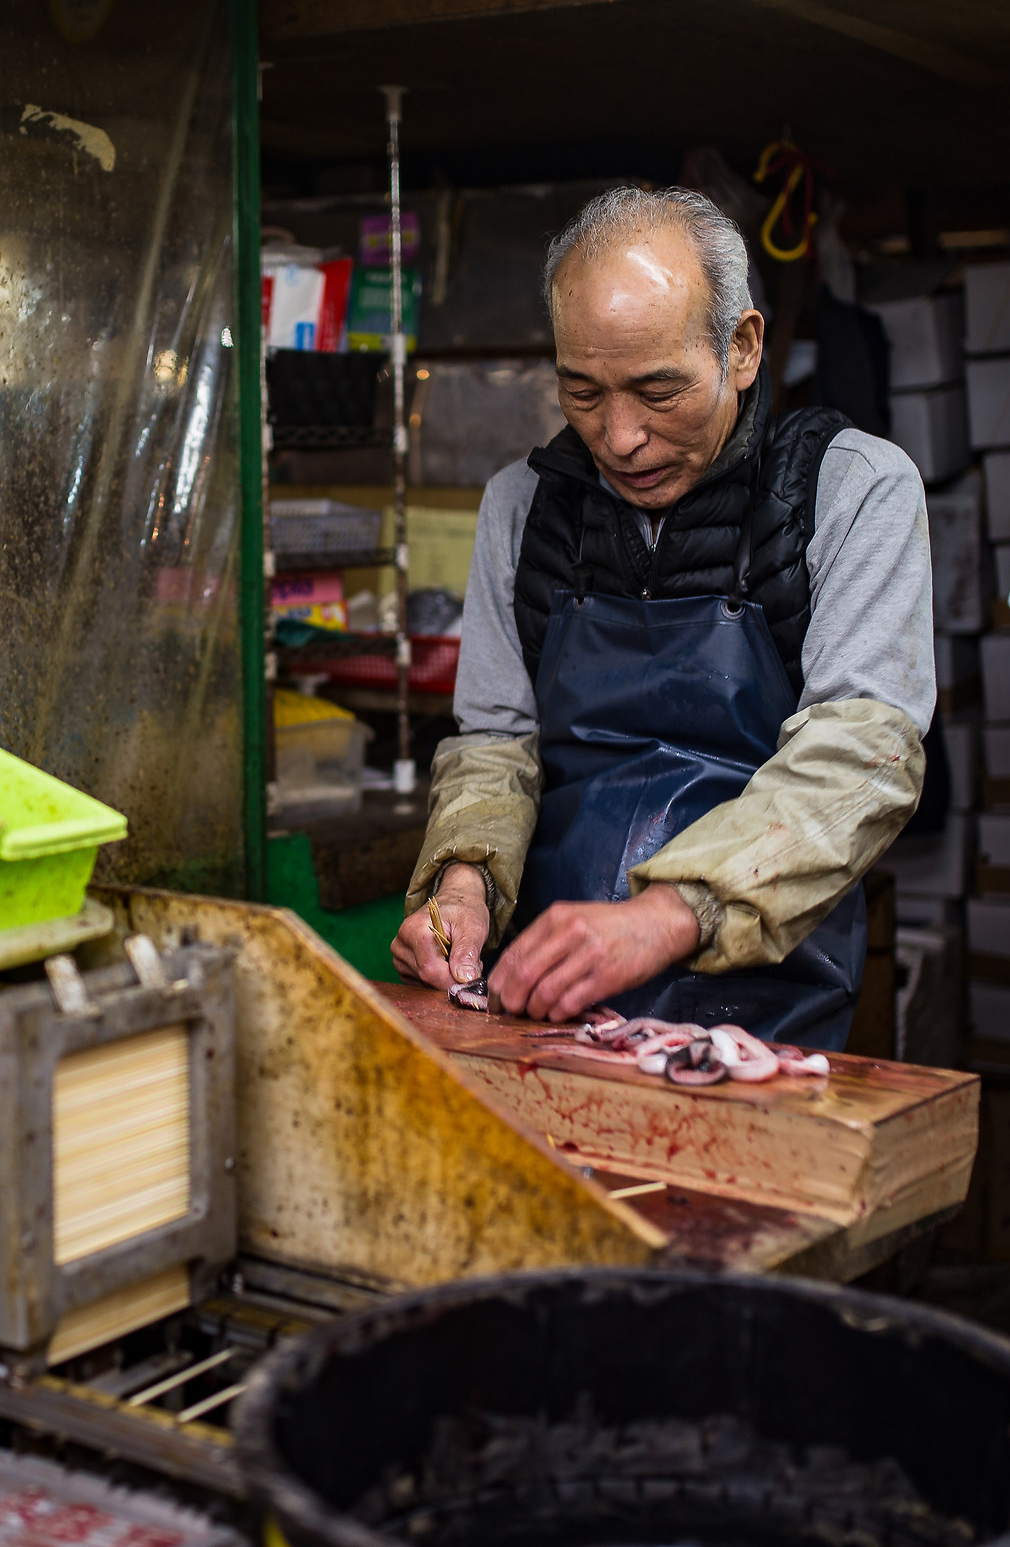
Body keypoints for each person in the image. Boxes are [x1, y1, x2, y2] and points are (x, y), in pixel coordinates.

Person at [388, 185, 933, 1051]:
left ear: (743, 347)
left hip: (760, 1016)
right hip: (549, 1004)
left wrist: (667, 914)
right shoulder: (523, 507)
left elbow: (863, 756)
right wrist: (462, 881)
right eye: (583, 392)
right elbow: (496, 739)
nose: (621, 437)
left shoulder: (853, 490)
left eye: (657, 390)